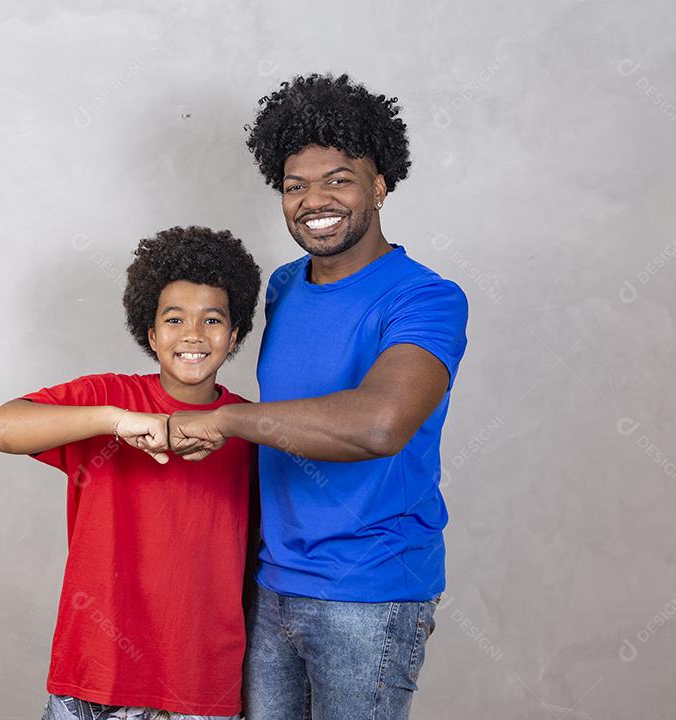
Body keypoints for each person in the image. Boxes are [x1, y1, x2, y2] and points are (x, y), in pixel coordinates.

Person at [166, 73, 471, 719]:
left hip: (368, 590)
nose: (313, 200)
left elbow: (378, 425)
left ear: (381, 184)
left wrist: (228, 421)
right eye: (294, 185)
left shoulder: (425, 298)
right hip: (271, 583)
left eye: (337, 179)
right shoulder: (283, 286)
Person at [0, 226, 262, 720]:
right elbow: (0, 428)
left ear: (234, 335)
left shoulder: (249, 427)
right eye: (174, 319)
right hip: (94, 672)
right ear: (151, 334)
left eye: (212, 320)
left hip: (199, 681)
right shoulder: (105, 398)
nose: (193, 334)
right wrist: (114, 421)